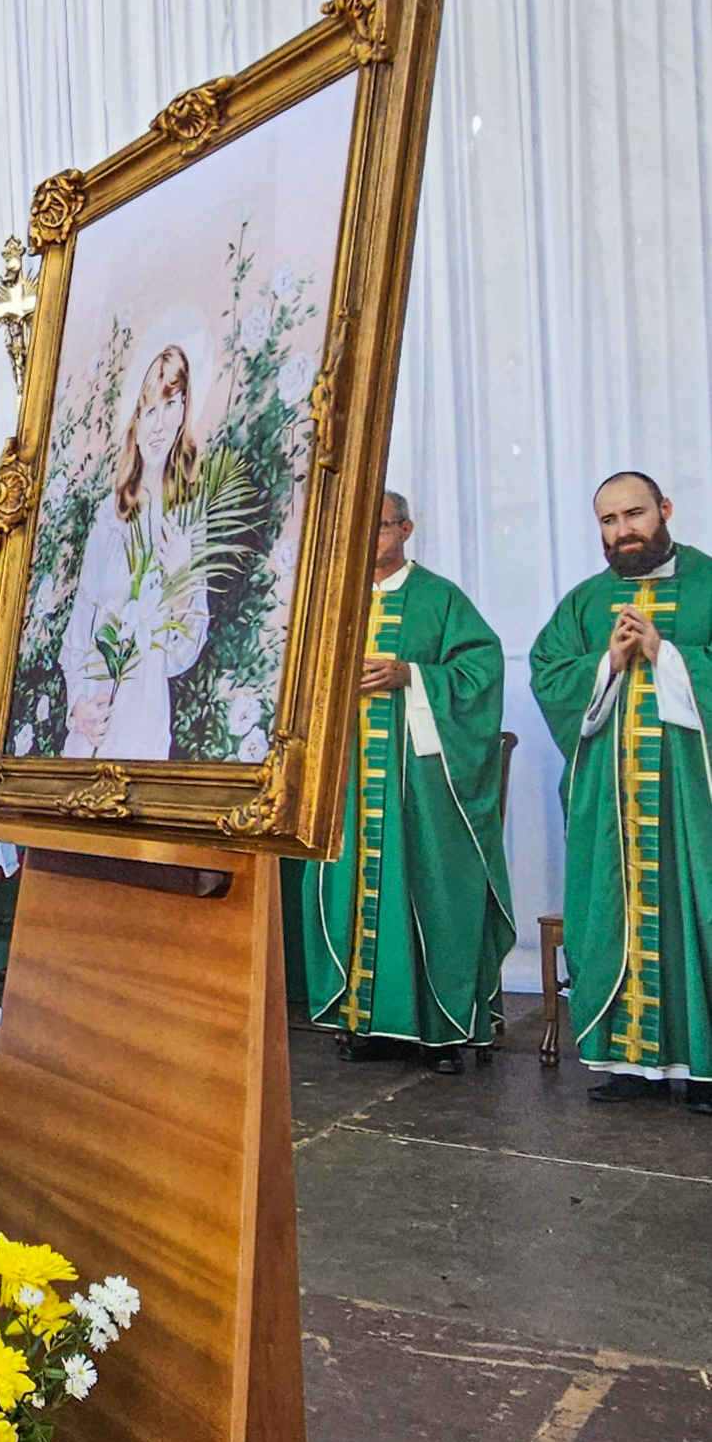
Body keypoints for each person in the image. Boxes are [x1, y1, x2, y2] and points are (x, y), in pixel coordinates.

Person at [299, 492, 515, 1070]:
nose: (369, 538)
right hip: (350, 779)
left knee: (432, 890)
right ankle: (365, 1023)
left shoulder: (440, 598)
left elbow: (482, 670)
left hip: (422, 783)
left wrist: (412, 675)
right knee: (353, 890)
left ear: (407, 529)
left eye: (380, 526)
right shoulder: (334, 598)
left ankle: (438, 1029)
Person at [531, 470, 712, 1113]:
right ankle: (629, 1061)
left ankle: (705, 1067)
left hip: (691, 804)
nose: (622, 531)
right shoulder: (585, 603)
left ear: (665, 510)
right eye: (608, 521)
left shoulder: (708, 584)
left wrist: (667, 654)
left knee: (696, 915)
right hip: (611, 807)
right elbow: (548, 674)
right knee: (612, 914)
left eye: (634, 514)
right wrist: (607, 662)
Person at [59, 345, 214, 761]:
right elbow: (81, 621)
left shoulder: (187, 517)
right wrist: (78, 706)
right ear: (135, 419)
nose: (159, 424)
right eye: (150, 410)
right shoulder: (110, 515)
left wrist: (181, 577)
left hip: (143, 717)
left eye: (171, 406)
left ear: (184, 412)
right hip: (93, 715)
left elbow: (180, 656)